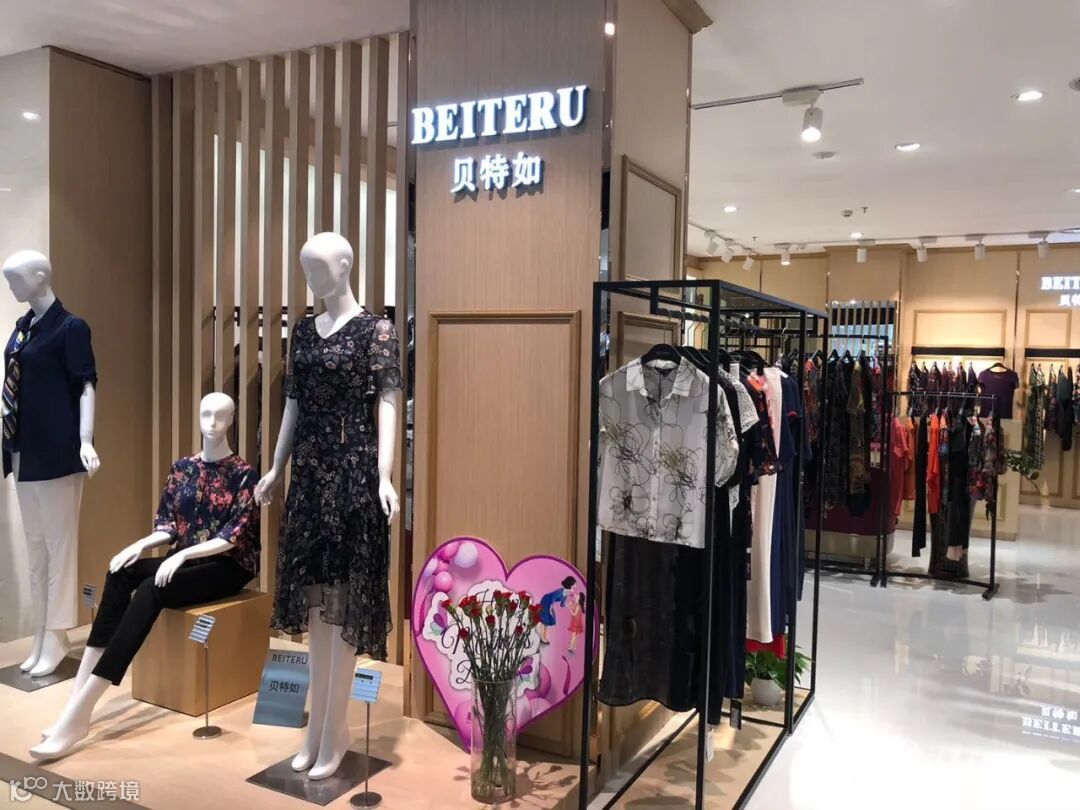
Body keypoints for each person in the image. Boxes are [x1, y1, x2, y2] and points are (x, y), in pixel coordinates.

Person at [538, 576, 576, 645]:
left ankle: (544, 637)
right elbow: (553, 598)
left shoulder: (565, 594)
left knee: (547, 620)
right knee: (545, 620)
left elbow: (562, 604)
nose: (573, 590)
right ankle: (542, 637)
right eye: (573, 587)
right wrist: (550, 608)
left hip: (550, 603)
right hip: (546, 601)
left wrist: (569, 605)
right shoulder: (560, 591)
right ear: (569, 585)